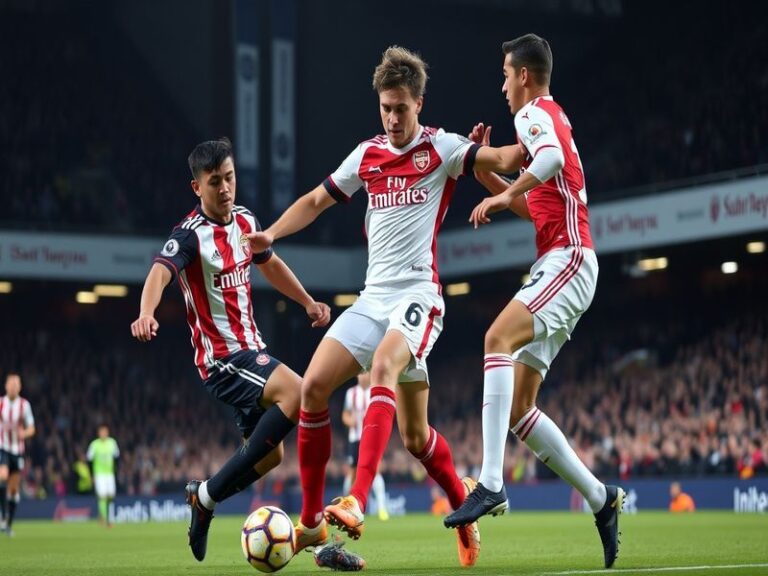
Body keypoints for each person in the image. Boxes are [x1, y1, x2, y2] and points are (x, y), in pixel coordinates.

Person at [246, 45, 523, 568]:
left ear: (419, 103)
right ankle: (313, 523)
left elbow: (507, 160)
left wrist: (530, 131)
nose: (393, 118)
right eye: (385, 108)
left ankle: (355, 498)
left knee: (382, 369)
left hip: (419, 295)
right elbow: (315, 200)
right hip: (373, 298)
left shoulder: (440, 148)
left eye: (401, 108)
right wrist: (270, 234)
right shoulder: (367, 154)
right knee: (327, 394)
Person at [442, 34, 624, 569]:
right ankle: (601, 498)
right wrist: (484, 172)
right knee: (520, 410)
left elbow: (544, 159)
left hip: (568, 259)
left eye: (504, 74)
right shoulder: (551, 118)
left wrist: (499, 194)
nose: (501, 86)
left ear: (524, 75)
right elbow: (539, 209)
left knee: (496, 337)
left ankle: (492, 482)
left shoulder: (535, 114)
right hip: (564, 257)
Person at [130, 138, 337, 563]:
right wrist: (146, 312)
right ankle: (206, 496)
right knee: (300, 392)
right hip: (222, 360)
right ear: (197, 188)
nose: (225, 188)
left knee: (270, 456)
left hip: (251, 350)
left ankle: (203, 497)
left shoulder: (245, 221)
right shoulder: (189, 236)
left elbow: (271, 264)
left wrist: (307, 301)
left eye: (229, 178)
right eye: (214, 182)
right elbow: (158, 272)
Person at [341, 372, 389, 521]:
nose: (363, 376)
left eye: (365, 373)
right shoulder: (351, 393)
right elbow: (345, 414)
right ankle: (346, 506)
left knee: (376, 470)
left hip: (371, 438)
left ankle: (382, 508)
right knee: (352, 472)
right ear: (357, 376)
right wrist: (350, 422)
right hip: (355, 438)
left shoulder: (375, 391)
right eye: (360, 374)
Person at [0, 373, 35, 536]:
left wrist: (24, 433)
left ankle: (8, 523)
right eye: (11, 383)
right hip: (3, 447)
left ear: (20, 387)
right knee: (2, 475)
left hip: (18, 451)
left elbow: (31, 428)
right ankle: (1, 515)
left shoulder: (24, 405)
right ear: (6, 386)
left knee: (13, 490)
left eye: (16, 383)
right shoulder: (0, 404)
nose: (13, 386)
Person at [86, 424, 120, 527]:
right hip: (99, 474)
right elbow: (89, 460)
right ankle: (107, 520)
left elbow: (117, 457)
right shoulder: (94, 445)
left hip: (109, 474)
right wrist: (92, 475)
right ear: (98, 433)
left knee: (110, 496)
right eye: (101, 432)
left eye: (105, 432)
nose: (103, 434)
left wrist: (116, 471)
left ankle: (102, 514)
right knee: (102, 496)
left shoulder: (112, 443)